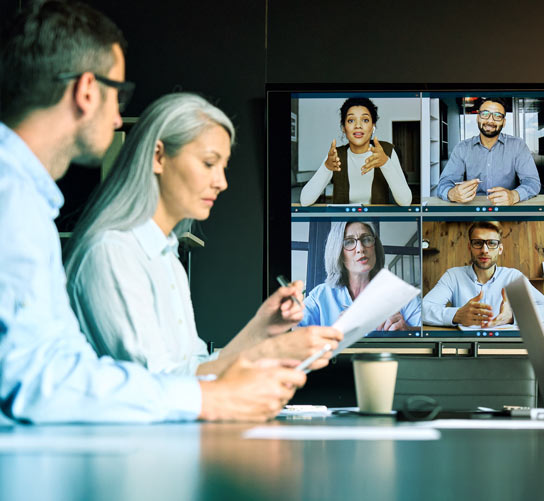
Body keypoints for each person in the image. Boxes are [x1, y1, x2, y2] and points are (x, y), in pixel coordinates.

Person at [0, 1, 313, 423]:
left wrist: (261, 333)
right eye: (119, 95)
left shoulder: (32, 201)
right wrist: (232, 383)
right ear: (87, 90)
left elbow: (73, 368)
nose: (117, 119)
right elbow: (43, 379)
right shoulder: (21, 202)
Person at [64, 93, 342, 377]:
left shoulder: (167, 257)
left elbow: (195, 369)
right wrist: (272, 352)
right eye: (209, 163)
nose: (221, 183)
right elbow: (158, 385)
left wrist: (262, 328)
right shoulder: (112, 252)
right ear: (158, 157)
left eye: (224, 167)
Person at [423, 221, 544, 327]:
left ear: (500, 249)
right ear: (469, 247)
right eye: (478, 243)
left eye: (492, 243)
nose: (484, 250)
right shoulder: (453, 276)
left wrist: (512, 316)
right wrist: (457, 315)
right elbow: (423, 309)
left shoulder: (513, 277)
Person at [300, 221, 421, 330]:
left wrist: (407, 331)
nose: (360, 249)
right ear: (338, 252)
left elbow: (427, 332)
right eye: (349, 242)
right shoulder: (320, 295)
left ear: (375, 247)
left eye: (366, 239)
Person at [300, 97, 412, 206]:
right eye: (351, 120)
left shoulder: (387, 151)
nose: (358, 125)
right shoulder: (335, 155)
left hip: (378, 223)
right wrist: (326, 168)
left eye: (365, 120)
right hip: (344, 224)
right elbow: (305, 201)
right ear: (344, 127)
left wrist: (385, 163)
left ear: (373, 126)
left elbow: (406, 201)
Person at [436, 98, 541, 206]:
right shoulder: (462, 148)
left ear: (504, 122)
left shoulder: (518, 145)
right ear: (478, 117)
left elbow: (532, 182)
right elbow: (444, 184)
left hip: (507, 210)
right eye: (485, 114)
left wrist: (514, 196)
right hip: (472, 211)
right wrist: (452, 193)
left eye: (497, 116)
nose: (490, 120)